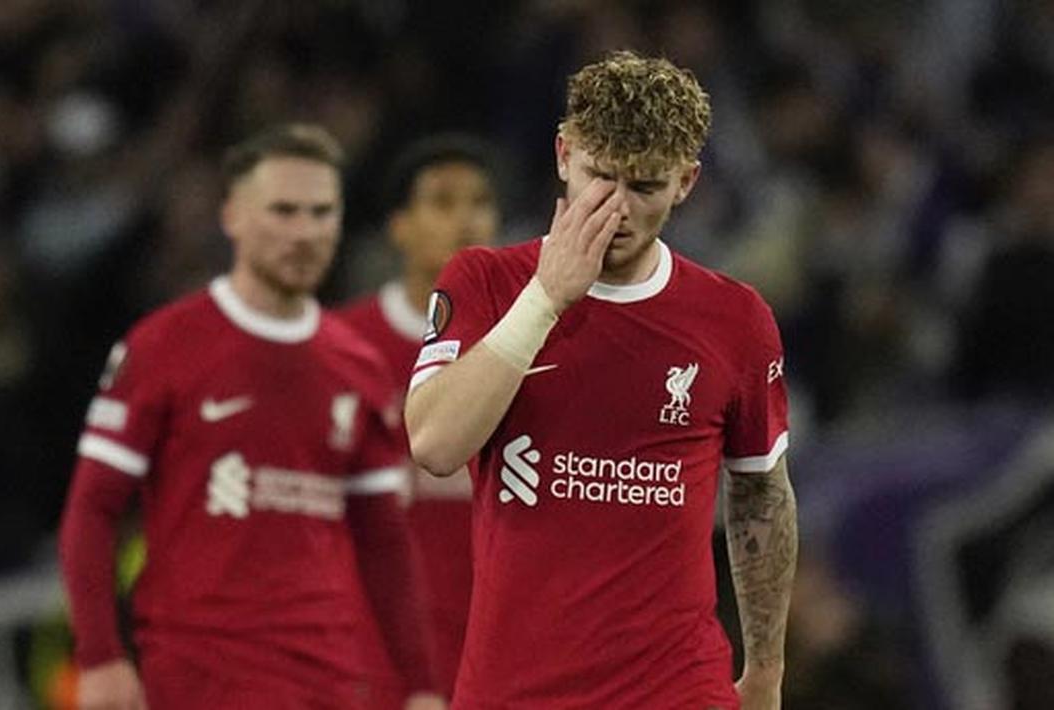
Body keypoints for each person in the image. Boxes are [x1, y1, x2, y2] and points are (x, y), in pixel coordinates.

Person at [405, 51, 798, 709]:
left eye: (643, 187)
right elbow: (435, 445)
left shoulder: (733, 319)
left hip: (677, 688)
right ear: (563, 155)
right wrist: (546, 297)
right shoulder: (485, 282)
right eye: (598, 176)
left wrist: (765, 668)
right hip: (515, 689)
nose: (614, 208)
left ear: (686, 183)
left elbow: (761, 494)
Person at [58, 124, 442, 710]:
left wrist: (418, 685)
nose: (305, 232)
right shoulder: (165, 345)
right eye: (283, 211)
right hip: (201, 673)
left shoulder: (355, 366)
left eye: (322, 212)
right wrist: (100, 657)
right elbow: (93, 507)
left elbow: (384, 542)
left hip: (331, 676)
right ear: (233, 216)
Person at [339, 134, 500, 704]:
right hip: (374, 656)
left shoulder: (523, 347)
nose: (466, 219)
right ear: (398, 226)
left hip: (501, 649)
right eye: (442, 201)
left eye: (479, 202)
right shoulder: (342, 349)